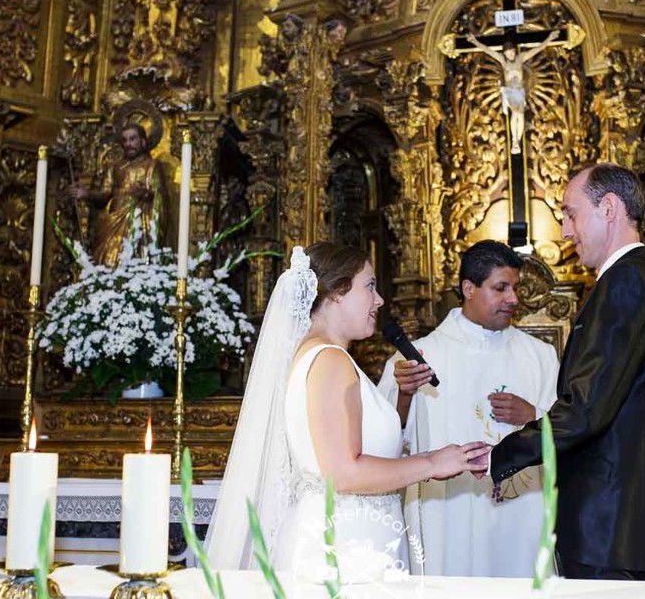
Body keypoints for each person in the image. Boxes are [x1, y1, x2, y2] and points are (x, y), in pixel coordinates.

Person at [206, 243, 490, 573]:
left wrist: (404, 396)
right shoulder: (330, 361)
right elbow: (343, 472)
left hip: (351, 535)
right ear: (338, 292)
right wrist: (432, 462)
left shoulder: (324, 357)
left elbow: (362, 445)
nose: (379, 300)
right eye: (369, 286)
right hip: (345, 546)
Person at [489, 163, 645, 580]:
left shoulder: (624, 284)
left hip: (610, 529)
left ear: (609, 208)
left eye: (570, 213)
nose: (565, 231)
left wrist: (505, 452)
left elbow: (585, 409)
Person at [377, 240, 558, 577]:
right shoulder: (418, 357)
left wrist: (533, 415)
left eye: (515, 288)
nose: (514, 299)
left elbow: (574, 431)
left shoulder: (540, 356)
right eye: (500, 288)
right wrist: (403, 394)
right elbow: (385, 441)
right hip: (449, 512)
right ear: (468, 288)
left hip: (520, 517)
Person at [72, 123, 170, 267]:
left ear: (143, 142)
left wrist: (145, 195)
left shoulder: (152, 166)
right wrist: (86, 194)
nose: (128, 144)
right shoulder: (116, 167)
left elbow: (160, 198)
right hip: (114, 220)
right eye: (125, 140)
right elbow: (104, 194)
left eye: (132, 139)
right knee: (107, 259)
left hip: (138, 222)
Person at [466, 32, 556, 155]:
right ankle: (515, 140)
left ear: (514, 51)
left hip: (520, 92)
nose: (510, 54)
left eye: (512, 52)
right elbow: (488, 50)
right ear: (505, 53)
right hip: (509, 92)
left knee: (521, 115)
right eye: (507, 53)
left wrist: (549, 38)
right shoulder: (503, 61)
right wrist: (475, 41)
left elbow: (537, 49)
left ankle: (517, 140)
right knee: (516, 113)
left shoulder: (521, 58)